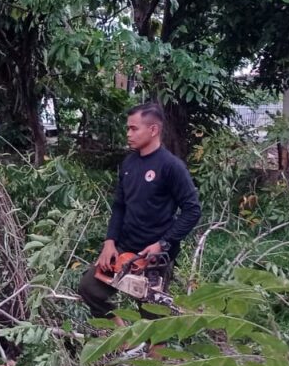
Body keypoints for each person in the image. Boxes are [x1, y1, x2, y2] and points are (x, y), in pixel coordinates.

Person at [78, 102, 201, 321]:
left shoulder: (171, 166)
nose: (128, 134)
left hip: (155, 256)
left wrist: (163, 243)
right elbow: (120, 206)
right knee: (90, 287)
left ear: (153, 130)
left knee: (153, 317)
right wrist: (109, 242)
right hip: (124, 250)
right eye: (128, 128)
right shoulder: (128, 163)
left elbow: (192, 210)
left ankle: (154, 355)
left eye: (134, 128)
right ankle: (122, 339)